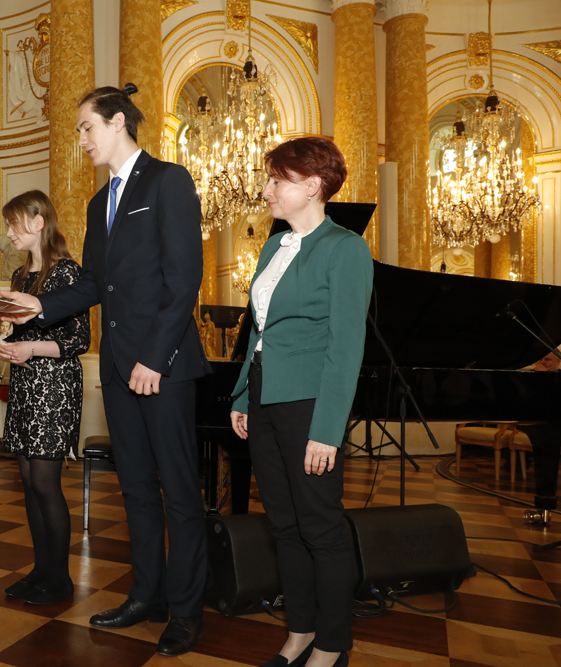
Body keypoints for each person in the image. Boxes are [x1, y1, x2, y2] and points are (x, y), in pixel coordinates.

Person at [0, 84, 210, 657]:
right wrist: (38, 305)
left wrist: (154, 358)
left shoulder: (168, 181)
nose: (81, 139)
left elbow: (183, 280)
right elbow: (92, 284)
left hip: (162, 367)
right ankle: (146, 596)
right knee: (135, 489)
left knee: (179, 492)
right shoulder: (98, 204)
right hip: (117, 369)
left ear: (118, 123)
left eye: (86, 127)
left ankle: (186, 611)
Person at [228, 137, 372, 667]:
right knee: (283, 526)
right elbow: (258, 332)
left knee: (320, 528)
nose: (266, 190)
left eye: (276, 180)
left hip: (310, 404)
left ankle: (331, 645)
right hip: (264, 396)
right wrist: (244, 394)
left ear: (312, 186)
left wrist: (327, 430)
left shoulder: (345, 248)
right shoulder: (273, 246)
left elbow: (346, 348)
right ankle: (299, 632)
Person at [0, 190, 90, 605]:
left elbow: (79, 340)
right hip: (26, 383)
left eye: (13, 223)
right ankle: (41, 570)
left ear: (39, 222)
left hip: (55, 385)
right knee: (28, 482)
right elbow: (19, 334)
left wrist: (29, 348)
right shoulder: (20, 276)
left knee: (45, 482)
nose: (8, 232)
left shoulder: (68, 272)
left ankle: (60, 578)